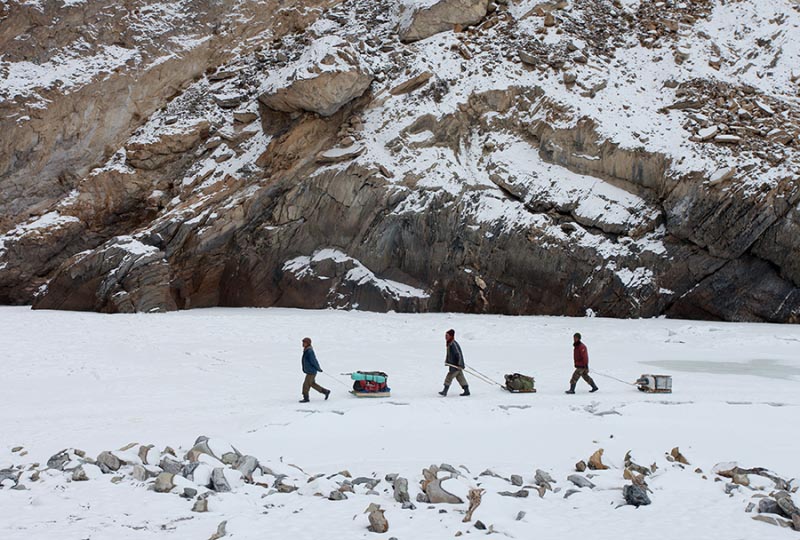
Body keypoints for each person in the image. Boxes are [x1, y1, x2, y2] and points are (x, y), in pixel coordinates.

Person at [439, 329, 470, 397]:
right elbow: (450, 355)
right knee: (460, 377)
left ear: (451, 336)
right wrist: (447, 361)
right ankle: (466, 391)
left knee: (449, 377)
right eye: (445, 335)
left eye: (447, 335)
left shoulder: (453, 344)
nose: (446, 337)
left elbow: (458, 354)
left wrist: (460, 364)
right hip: (454, 364)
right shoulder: (450, 343)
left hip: (456, 365)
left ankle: (445, 391)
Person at [300, 337, 330, 403]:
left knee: (306, 385)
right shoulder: (306, 350)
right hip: (309, 370)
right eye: (303, 342)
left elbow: (313, 361)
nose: (303, 344)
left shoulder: (309, 351)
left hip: (311, 371)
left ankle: (306, 398)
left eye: (304, 342)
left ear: (307, 343)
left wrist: (318, 368)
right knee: (312, 384)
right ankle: (326, 391)